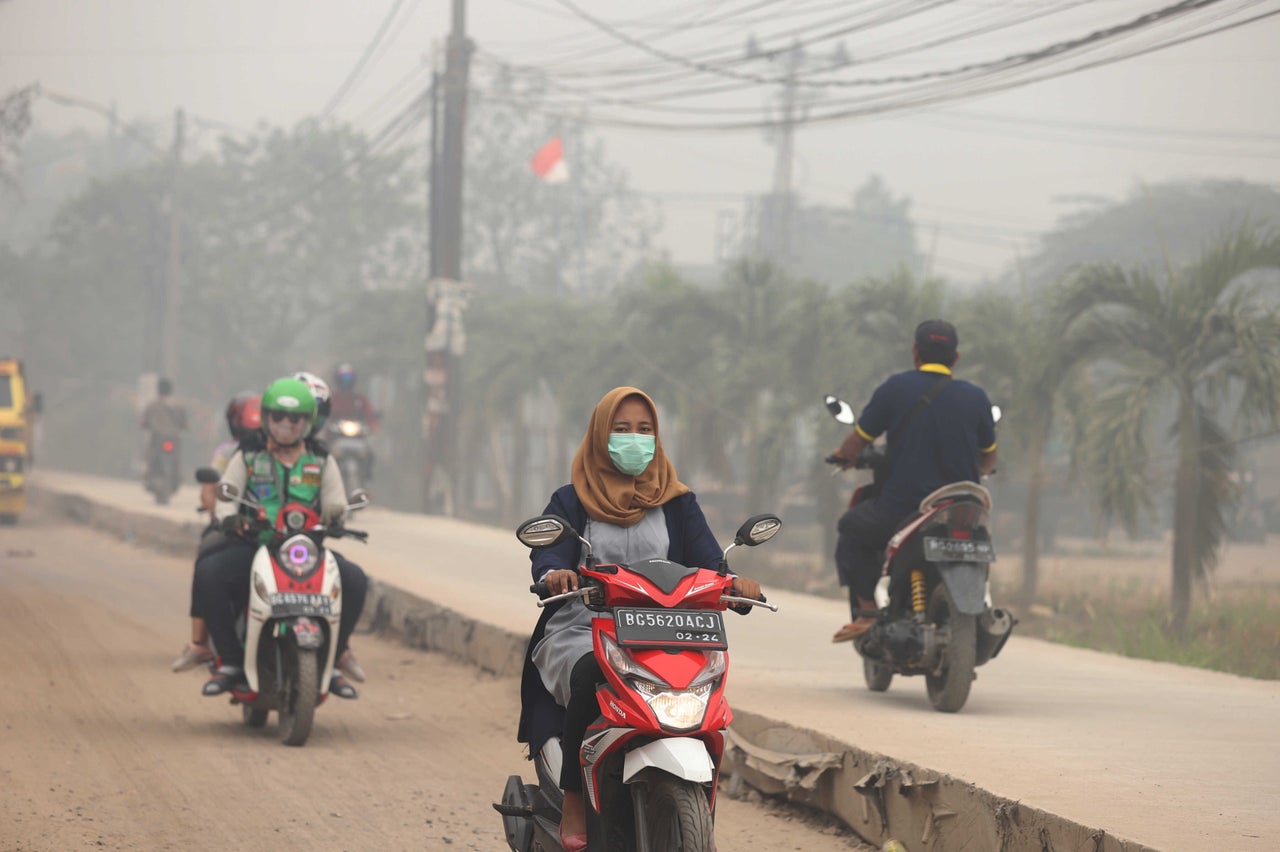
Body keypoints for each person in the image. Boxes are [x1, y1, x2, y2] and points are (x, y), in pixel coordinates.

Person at [516, 387, 763, 850]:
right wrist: (555, 573)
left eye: (645, 430)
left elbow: (711, 563)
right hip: (585, 625)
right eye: (622, 429)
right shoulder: (572, 500)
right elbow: (549, 551)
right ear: (600, 435)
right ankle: (573, 793)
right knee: (592, 672)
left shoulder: (676, 501)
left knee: (704, 685)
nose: (635, 439)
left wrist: (735, 585)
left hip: (668, 628)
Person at [193, 377, 368, 698]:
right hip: (255, 544)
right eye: (279, 418)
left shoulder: (321, 458)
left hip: (306, 549)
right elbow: (227, 492)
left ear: (308, 421)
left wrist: (337, 517)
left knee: (355, 580)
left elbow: (334, 500)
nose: (286, 425)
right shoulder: (248, 454)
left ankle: (333, 659)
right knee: (209, 573)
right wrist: (229, 515)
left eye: (295, 419)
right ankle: (230, 662)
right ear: (266, 418)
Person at [828, 320, 998, 642]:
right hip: (961, 507)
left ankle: (866, 613)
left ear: (915, 352)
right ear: (956, 357)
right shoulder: (976, 397)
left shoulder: (895, 388)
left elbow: (856, 443)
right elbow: (989, 459)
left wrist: (844, 455)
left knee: (852, 528)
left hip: (904, 508)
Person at [171, 391, 261, 673]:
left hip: (272, 528)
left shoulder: (283, 453)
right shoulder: (227, 452)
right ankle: (200, 642)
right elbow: (210, 491)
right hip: (232, 524)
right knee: (207, 559)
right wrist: (222, 514)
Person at [139, 377, 187, 488]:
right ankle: (178, 474)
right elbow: (184, 424)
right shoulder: (178, 406)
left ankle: (147, 472)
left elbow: (144, 422)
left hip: (157, 438)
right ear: (171, 390)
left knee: (150, 454)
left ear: (158, 390)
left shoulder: (152, 405)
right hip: (173, 439)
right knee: (177, 457)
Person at [328, 363, 378, 430]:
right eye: (343, 379)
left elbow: (369, 414)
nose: (346, 382)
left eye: (349, 379)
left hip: (358, 435)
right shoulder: (331, 398)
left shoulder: (360, 399)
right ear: (338, 380)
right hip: (333, 435)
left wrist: (373, 424)